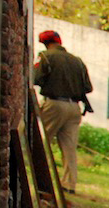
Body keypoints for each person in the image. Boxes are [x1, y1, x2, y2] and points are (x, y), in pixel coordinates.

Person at [33, 30, 92, 193]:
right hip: (75, 108)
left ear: (45, 43)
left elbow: (35, 78)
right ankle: (69, 184)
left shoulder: (45, 56)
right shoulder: (77, 61)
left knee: (41, 142)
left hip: (54, 105)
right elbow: (88, 87)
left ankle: (39, 181)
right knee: (69, 148)